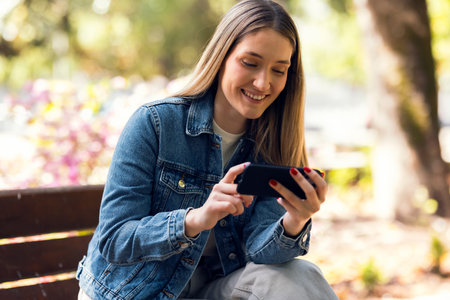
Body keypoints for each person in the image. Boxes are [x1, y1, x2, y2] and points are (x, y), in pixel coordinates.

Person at [77, 0, 339, 299]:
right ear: (222, 56)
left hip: (207, 291)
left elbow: (261, 255)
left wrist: (294, 222)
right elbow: (114, 239)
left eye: (279, 70)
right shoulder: (156, 123)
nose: (263, 82)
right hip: (130, 294)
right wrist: (194, 220)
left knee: (299, 275)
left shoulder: (273, 144)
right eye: (250, 63)